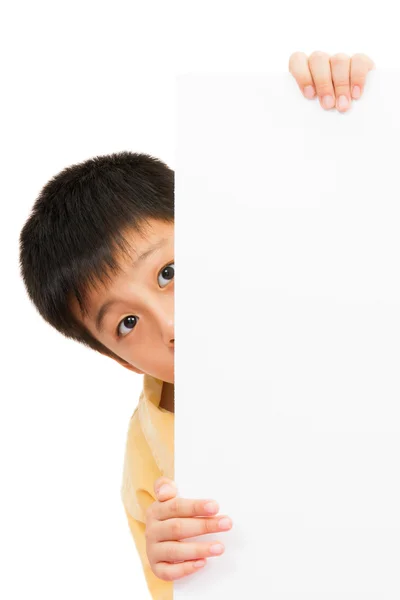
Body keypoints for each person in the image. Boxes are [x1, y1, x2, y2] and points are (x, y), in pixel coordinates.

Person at [18, 51, 375, 600]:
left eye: (169, 271)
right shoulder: (149, 456)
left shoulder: (323, 282)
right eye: (128, 322)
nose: (173, 324)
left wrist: (331, 113)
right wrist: (176, 569)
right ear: (119, 360)